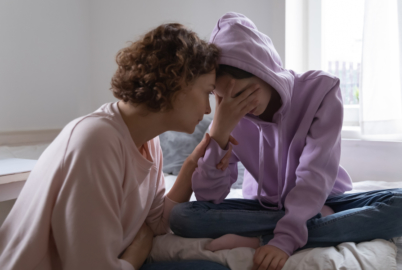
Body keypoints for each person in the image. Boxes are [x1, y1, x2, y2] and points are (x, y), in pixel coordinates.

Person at [170, 13, 402, 270]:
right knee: (182, 217)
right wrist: (219, 135)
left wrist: (283, 240)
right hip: (264, 206)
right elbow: (208, 197)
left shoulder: (321, 91)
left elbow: (313, 175)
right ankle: (316, 225)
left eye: (241, 94)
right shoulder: (230, 115)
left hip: (326, 199)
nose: (237, 107)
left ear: (264, 72)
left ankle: (261, 238)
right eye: (221, 97)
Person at [0, 23, 239, 270]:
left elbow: (157, 223)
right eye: (207, 93)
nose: (208, 109)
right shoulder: (95, 141)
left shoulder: (148, 140)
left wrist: (192, 164)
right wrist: (137, 252)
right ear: (178, 83)